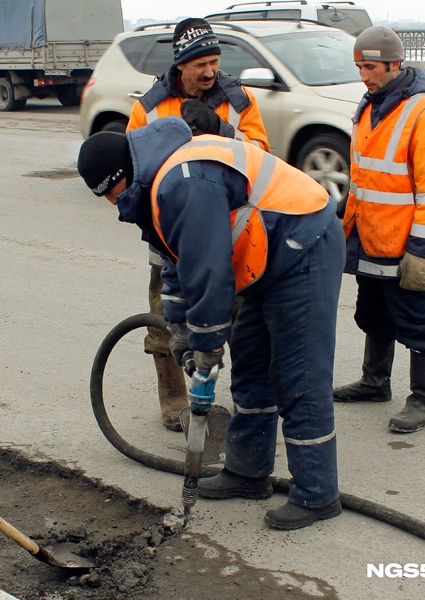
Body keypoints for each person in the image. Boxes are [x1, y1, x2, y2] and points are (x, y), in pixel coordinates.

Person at [77, 117, 344, 530]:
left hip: (303, 242)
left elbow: (211, 275)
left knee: (298, 376)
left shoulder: (181, 181)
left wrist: (206, 348)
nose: (114, 205)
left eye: (111, 195)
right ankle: (248, 472)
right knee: (252, 369)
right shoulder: (154, 182)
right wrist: (180, 327)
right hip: (265, 255)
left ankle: (317, 493)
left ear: (122, 176)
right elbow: (177, 261)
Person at [126, 17, 270, 432]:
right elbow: (136, 172)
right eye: (200, 64)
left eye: (215, 61)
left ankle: (245, 400)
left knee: (240, 320)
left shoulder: (238, 101)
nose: (209, 71)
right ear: (180, 65)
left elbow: (261, 156)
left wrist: (221, 131)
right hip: (169, 231)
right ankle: (173, 399)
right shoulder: (149, 107)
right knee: (167, 315)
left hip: (232, 230)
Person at [333, 26, 425, 434]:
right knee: (372, 314)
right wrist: (345, 231)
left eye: (369, 67)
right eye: (359, 67)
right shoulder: (370, 107)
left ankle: (424, 400)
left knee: (419, 321)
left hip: (405, 244)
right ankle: (374, 382)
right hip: (370, 237)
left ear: (394, 64)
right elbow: (363, 179)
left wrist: (421, 252)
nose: (363, 76)